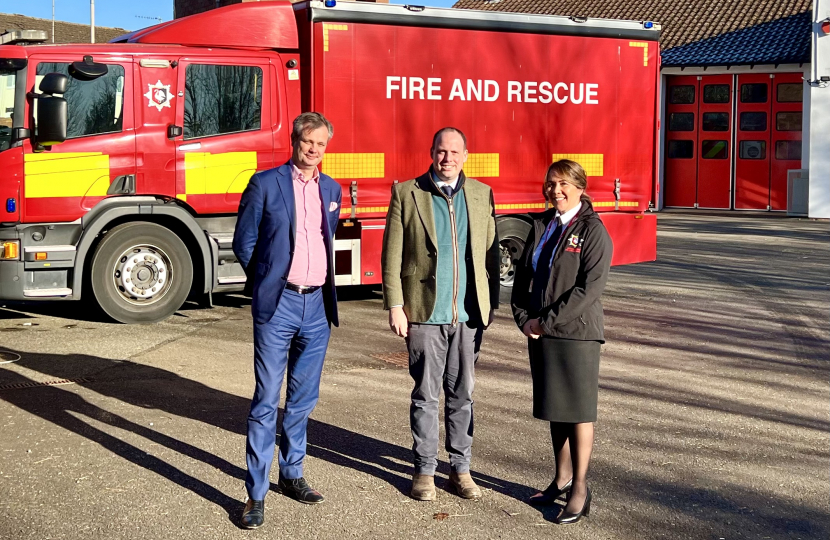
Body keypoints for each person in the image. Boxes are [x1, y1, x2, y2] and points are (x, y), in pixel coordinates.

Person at [233, 112, 342, 529]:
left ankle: (292, 474)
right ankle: (255, 495)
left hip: (316, 307)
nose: (313, 150)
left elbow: (325, 237)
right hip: (277, 306)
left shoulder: (330, 189)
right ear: (294, 141)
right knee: (265, 401)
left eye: (320, 144)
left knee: (301, 401)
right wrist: (265, 281)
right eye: (307, 142)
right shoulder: (265, 183)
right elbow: (245, 242)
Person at [381, 127, 500, 502]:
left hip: (467, 316)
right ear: (431, 152)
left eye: (454, 152)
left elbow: (491, 256)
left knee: (463, 395)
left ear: (466, 155)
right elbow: (392, 255)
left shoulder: (481, 195)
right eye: (441, 151)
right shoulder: (407, 193)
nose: (447, 158)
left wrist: (489, 307)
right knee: (426, 396)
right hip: (423, 313)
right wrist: (396, 306)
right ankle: (424, 471)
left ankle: (460, 469)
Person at [510, 159, 613, 525]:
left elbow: (590, 288)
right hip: (541, 331)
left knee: (579, 411)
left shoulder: (593, 230)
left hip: (576, 334)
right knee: (557, 409)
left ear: (581, 187)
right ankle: (560, 478)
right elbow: (523, 278)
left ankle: (580, 488)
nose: (556, 190)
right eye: (551, 183)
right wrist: (523, 318)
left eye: (565, 183)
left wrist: (547, 321)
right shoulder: (541, 224)